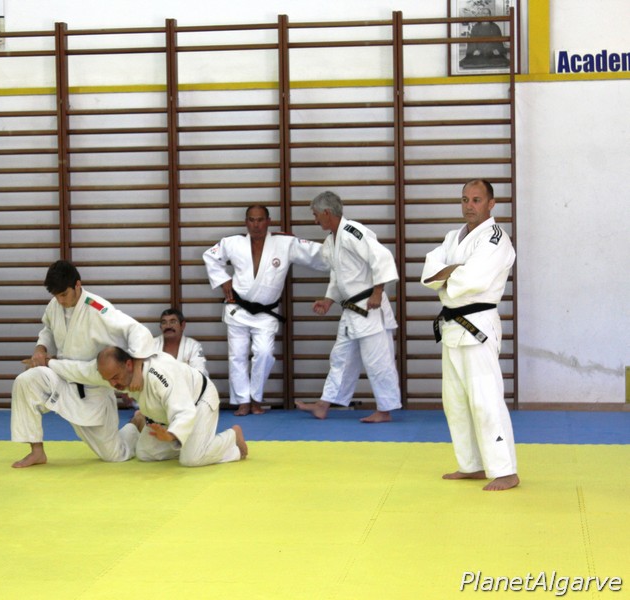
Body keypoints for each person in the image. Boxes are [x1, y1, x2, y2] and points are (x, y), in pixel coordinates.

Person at [10, 260, 157, 468]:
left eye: (64, 294)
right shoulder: (55, 305)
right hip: (62, 377)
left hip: (92, 388)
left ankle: (136, 422)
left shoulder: (98, 309)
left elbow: (138, 331)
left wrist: (138, 369)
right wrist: (40, 349)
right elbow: (48, 329)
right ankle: (37, 451)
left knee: (115, 455)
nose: (60, 300)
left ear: (77, 285)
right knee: (26, 381)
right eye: (56, 296)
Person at [421, 179, 519, 491]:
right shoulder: (454, 237)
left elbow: (474, 278)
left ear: (491, 203)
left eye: (476, 200)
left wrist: (448, 274)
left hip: (478, 325)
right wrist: (451, 271)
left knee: (485, 400)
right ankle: (472, 464)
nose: (469, 205)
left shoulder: (496, 238)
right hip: (452, 327)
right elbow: (429, 271)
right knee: (455, 401)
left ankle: (505, 470)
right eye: (465, 199)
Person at [203, 205, 329, 415]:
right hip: (237, 310)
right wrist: (223, 280)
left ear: (268, 221)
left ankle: (256, 397)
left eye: (260, 220)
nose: (256, 225)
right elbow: (210, 256)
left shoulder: (285, 243)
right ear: (246, 222)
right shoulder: (232, 243)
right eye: (252, 220)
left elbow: (317, 254)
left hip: (266, 313)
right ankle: (243, 401)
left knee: (264, 353)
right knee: (237, 356)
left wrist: (342, 250)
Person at [295, 191, 402, 423]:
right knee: (340, 358)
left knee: (378, 362)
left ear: (327, 212)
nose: (315, 220)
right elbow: (338, 276)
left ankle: (385, 410)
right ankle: (323, 405)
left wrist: (378, 291)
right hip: (351, 311)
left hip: (369, 308)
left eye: (316, 215)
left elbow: (382, 257)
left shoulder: (353, 232)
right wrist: (328, 300)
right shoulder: (331, 241)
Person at [50, 347, 247, 467]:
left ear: (129, 365)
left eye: (115, 378)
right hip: (163, 415)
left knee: (191, 460)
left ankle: (232, 438)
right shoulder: (115, 371)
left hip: (198, 401)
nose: (113, 384)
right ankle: (192, 442)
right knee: (145, 453)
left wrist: (172, 435)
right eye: (108, 380)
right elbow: (81, 372)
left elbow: (184, 410)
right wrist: (49, 363)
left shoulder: (160, 375)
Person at [154, 308, 208, 377]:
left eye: (173, 322)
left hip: (186, 383)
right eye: (164, 322)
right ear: (160, 327)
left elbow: (200, 371)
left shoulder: (194, 346)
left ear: (182, 325)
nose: (168, 326)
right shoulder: (152, 344)